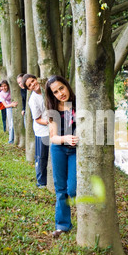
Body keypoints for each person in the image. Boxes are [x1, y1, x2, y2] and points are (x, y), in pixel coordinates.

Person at [45, 75, 78, 238]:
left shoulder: (79, 103)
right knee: (61, 189)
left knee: (72, 189)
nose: (60, 93)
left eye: (61, 88)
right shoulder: (53, 109)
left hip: (75, 152)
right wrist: (65, 138)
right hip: (59, 149)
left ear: (67, 85)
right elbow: (53, 137)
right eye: (55, 92)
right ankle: (63, 225)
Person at [22, 74, 49, 188]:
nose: (33, 84)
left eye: (33, 81)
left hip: (54, 128)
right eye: (30, 85)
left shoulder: (46, 90)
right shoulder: (33, 100)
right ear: (28, 89)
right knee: (42, 156)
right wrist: (50, 122)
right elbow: (37, 119)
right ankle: (41, 181)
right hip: (42, 130)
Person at [0, 80, 18, 144]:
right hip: (9, 108)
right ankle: (11, 140)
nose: (4, 88)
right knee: (11, 124)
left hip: (16, 106)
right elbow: (5, 105)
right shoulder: (1, 94)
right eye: (2, 86)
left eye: (5, 86)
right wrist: (11, 105)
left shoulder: (12, 90)